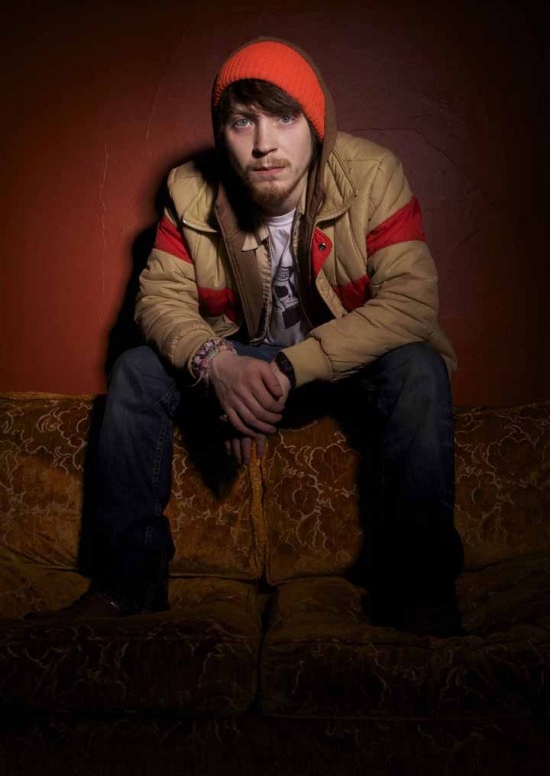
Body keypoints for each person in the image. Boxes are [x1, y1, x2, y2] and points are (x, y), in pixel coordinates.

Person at [27, 38, 464, 635]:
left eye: (284, 118)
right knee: (134, 368)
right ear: (222, 131)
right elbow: (158, 300)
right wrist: (220, 367)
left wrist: (282, 373)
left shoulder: (372, 174)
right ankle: (126, 588)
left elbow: (410, 304)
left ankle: (422, 596)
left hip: (345, 364)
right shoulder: (189, 189)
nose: (264, 144)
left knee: (418, 366)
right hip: (243, 354)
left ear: (316, 125)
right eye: (242, 122)